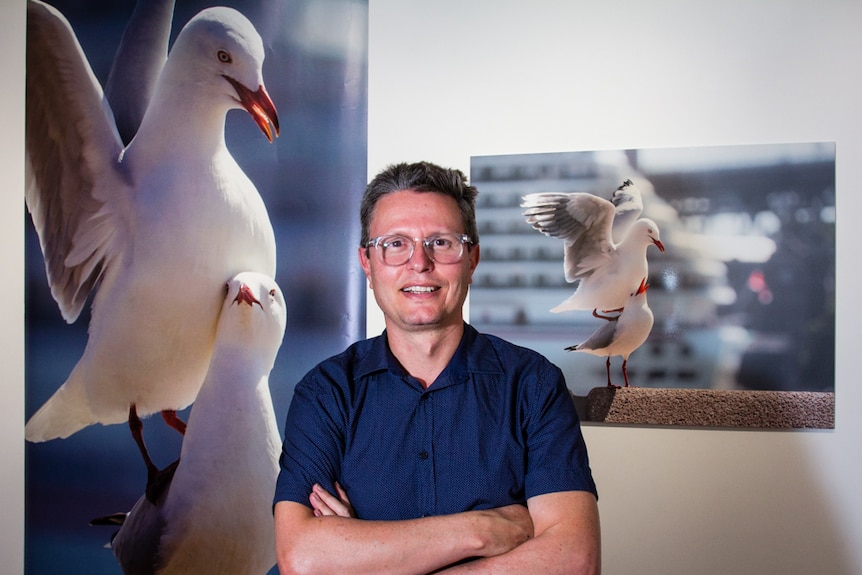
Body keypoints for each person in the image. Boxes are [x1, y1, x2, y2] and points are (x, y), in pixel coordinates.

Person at [273, 161, 600, 574]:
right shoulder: (326, 393)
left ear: (472, 259)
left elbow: (574, 562)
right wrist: (482, 529)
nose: (420, 263)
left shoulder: (534, 386)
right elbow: (302, 559)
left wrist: (366, 556)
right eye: (395, 244)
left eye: (442, 242)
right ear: (367, 264)